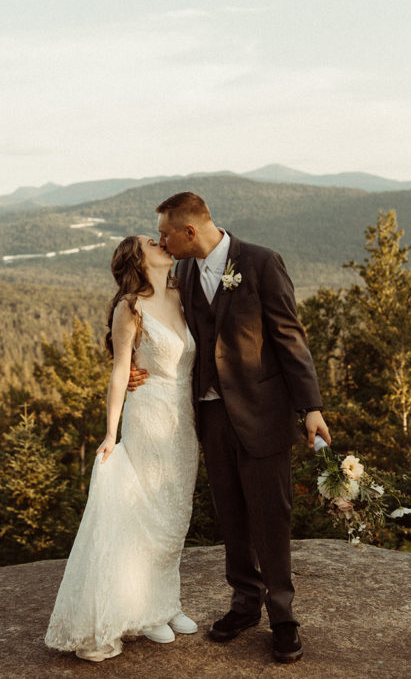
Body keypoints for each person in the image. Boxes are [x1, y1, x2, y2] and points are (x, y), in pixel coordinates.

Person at [132, 192, 330, 663]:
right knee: (232, 515)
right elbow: (141, 314)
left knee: (271, 515)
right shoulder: (178, 272)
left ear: (190, 232)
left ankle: (283, 617)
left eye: (165, 233)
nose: (161, 241)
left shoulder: (261, 263)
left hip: (262, 413)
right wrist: (131, 363)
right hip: (209, 415)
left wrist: (311, 408)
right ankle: (244, 604)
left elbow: (290, 337)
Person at [44, 235, 200, 662]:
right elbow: (119, 372)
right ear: (138, 258)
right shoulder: (129, 307)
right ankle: (148, 612)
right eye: (152, 242)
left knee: (176, 510)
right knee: (150, 509)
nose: (162, 243)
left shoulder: (183, 291)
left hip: (185, 419)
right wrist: (111, 434)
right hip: (148, 414)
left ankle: (169, 603)